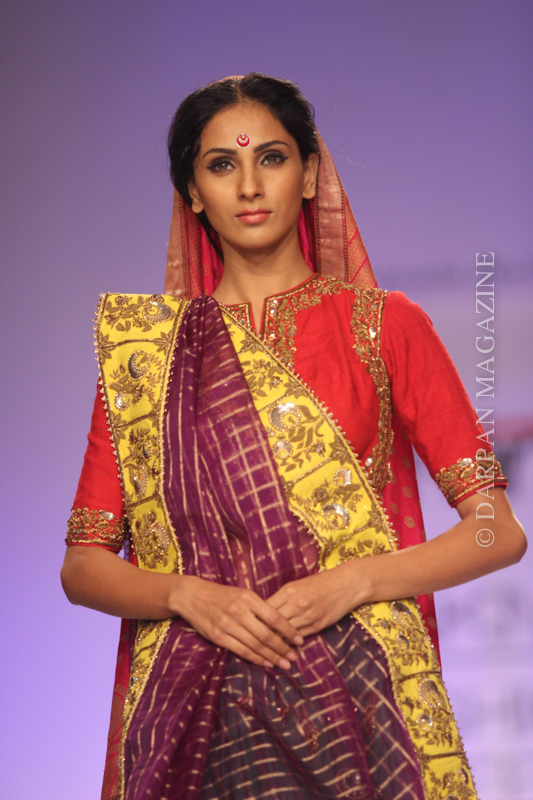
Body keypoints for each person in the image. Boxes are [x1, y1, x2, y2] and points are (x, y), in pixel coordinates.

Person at [61, 73, 526, 800]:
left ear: (309, 175)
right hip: (198, 709)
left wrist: (354, 581)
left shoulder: (383, 325)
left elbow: (497, 533)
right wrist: (187, 595)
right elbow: (83, 566)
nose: (249, 186)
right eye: (222, 165)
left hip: (359, 695)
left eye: (271, 158)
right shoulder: (144, 359)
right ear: (192, 192)